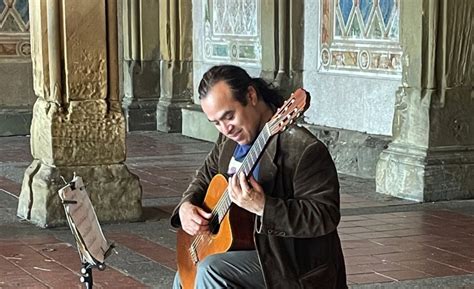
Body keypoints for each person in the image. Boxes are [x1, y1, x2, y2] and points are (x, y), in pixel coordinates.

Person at [170, 64, 347, 289]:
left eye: (229, 116)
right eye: (216, 123)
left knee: (211, 271)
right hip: (244, 249)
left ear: (251, 95)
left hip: (290, 263)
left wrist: (264, 207)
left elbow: (325, 216)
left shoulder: (303, 149)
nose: (225, 129)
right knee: (185, 274)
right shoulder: (228, 141)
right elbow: (205, 176)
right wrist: (186, 206)